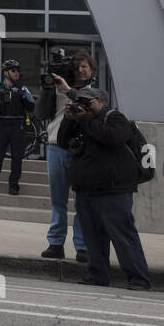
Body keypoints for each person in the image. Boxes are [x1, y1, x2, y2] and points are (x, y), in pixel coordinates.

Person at [58, 86, 151, 289]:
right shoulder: (81, 121)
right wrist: (68, 119)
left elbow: (112, 138)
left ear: (101, 102)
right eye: (80, 102)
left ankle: (139, 279)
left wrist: (84, 119)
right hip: (86, 189)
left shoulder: (115, 118)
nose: (84, 106)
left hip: (113, 190)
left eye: (88, 102)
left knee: (123, 237)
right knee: (93, 237)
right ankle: (97, 275)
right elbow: (63, 142)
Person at [39, 50, 96, 262]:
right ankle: (55, 243)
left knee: (81, 200)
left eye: (85, 67)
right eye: (78, 67)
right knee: (58, 200)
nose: (80, 70)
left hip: (81, 150)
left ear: (92, 71)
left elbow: (90, 108)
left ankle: (82, 246)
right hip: (55, 145)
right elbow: (40, 113)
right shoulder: (58, 89)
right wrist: (48, 90)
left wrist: (69, 90)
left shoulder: (95, 91)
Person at [0, 59, 36, 196]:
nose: (17, 73)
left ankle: (14, 186)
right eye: (13, 70)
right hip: (1, 126)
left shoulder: (23, 88)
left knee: (17, 158)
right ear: (6, 73)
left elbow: (32, 107)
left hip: (17, 126)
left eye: (18, 70)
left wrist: (22, 96)